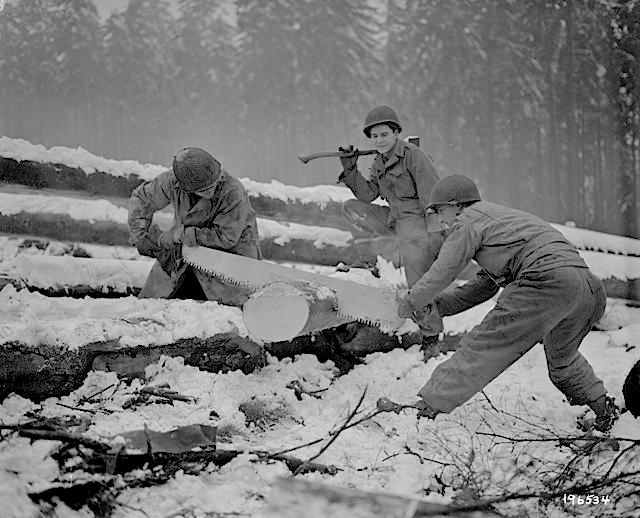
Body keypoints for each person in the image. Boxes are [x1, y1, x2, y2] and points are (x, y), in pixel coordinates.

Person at [393, 174, 619, 432]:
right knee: (563, 360)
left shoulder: (468, 220)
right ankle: (604, 410)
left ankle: (426, 407)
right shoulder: (499, 222)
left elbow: (444, 269)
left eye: (440, 211)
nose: (441, 220)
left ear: (457, 204)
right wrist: (438, 305)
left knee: (485, 344)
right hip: (587, 286)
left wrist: (410, 302)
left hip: (545, 279)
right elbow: (483, 286)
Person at [338, 106, 445, 345]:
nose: (379, 140)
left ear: (396, 132)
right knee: (352, 208)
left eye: (384, 134)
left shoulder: (414, 156)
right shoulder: (379, 161)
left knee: (417, 286)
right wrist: (350, 168)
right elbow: (367, 195)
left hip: (417, 227)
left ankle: (431, 337)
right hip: (393, 221)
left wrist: (434, 238)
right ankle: (368, 262)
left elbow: (433, 198)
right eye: (374, 136)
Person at [128, 147, 261, 305]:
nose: (211, 192)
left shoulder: (233, 192)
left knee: (233, 312)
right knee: (150, 305)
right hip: (184, 256)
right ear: (187, 188)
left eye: (214, 185)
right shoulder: (173, 181)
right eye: (205, 190)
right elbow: (142, 199)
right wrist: (140, 235)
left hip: (231, 259)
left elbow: (225, 237)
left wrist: (182, 235)